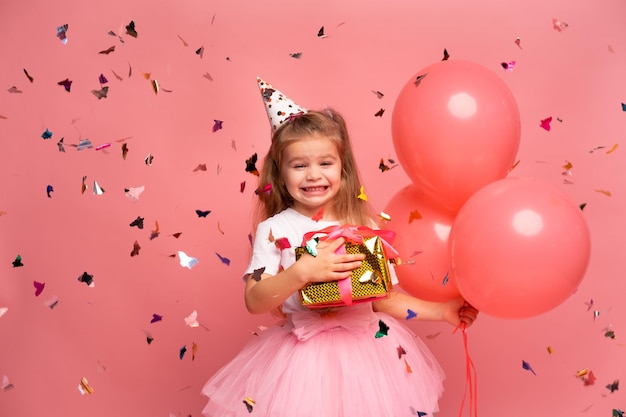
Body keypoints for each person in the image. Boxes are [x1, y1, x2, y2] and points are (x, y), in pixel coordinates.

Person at [201, 78, 478, 417]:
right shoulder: (274, 229)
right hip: (300, 363)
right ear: (281, 172)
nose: (313, 175)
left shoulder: (362, 224)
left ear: (342, 169)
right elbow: (254, 300)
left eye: (325, 163)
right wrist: (301, 273)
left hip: (370, 355)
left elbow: (384, 299)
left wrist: (442, 311)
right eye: (299, 165)